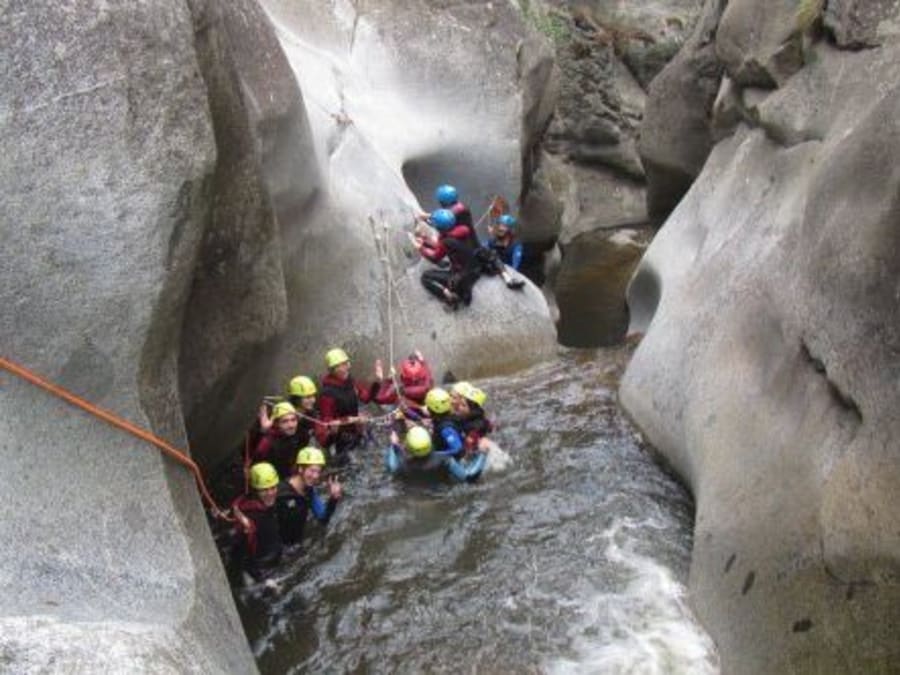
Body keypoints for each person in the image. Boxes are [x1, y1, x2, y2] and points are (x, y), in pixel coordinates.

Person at [317, 347, 383, 465]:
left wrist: (377, 382)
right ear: (332, 370)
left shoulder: (350, 382)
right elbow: (327, 422)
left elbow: (366, 398)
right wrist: (352, 419)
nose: (345, 368)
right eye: (340, 366)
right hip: (339, 439)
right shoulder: (327, 394)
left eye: (346, 364)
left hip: (354, 431)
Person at [414, 209, 482, 309]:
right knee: (446, 262)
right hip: (475, 268)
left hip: (460, 277)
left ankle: (449, 296)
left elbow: (435, 257)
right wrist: (425, 243)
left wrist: (420, 248)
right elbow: (442, 247)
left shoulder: (446, 241)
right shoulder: (463, 229)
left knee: (425, 276)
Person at [276, 447, 342, 548]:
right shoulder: (280, 493)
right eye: (312, 471)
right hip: (281, 549)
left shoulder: (309, 491)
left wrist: (333, 498)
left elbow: (323, 518)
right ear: (300, 469)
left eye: (318, 472)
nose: (316, 476)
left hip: (296, 545)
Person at [231, 462, 284, 585]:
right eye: (265, 490)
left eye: (273, 488)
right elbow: (241, 553)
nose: (271, 493)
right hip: (261, 570)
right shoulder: (254, 516)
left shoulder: (261, 505)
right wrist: (262, 578)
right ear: (256, 490)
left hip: (271, 559)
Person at [385, 425, 487, 481]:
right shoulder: (444, 460)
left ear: (408, 447)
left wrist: (394, 445)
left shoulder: (402, 464)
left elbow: (391, 466)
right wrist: (482, 454)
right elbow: (468, 476)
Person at [253, 401, 305, 479]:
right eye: (285, 421)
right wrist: (263, 431)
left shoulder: (295, 436)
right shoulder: (268, 441)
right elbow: (254, 454)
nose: (291, 425)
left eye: (293, 420)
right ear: (276, 424)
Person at [483, 214, 525, 289]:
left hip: (506, 269)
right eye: (500, 225)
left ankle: (509, 280)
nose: (501, 228)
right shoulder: (493, 240)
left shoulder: (516, 245)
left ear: (510, 230)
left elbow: (516, 264)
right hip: (492, 267)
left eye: (504, 226)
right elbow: (483, 248)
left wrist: (512, 273)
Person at [423, 387, 467, 458]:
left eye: (428, 407)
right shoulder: (446, 418)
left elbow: (457, 450)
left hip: (449, 464)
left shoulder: (446, 428)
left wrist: (434, 455)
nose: (427, 409)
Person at [450, 381, 494, 452]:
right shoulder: (466, 417)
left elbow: (468, 447)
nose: (460, 407)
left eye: (463, 405)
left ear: (472, 410)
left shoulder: (474, 426)